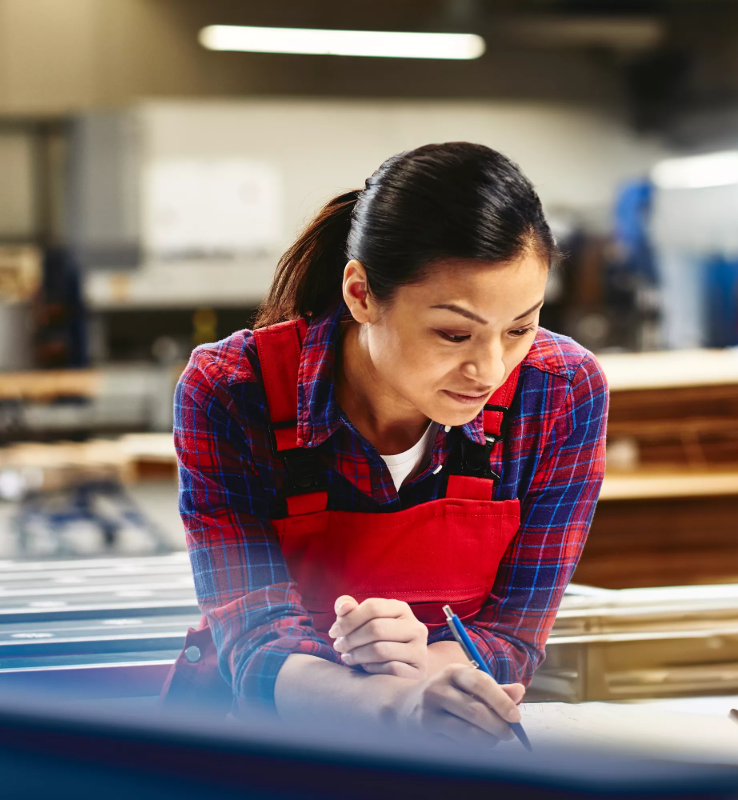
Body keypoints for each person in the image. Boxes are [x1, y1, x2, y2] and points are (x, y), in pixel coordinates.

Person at [162, 142, 609, 746]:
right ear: (361, 294)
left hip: (441, 739)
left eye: (520, 328)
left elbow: (512, 633)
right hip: (260, 746)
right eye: (454, 333)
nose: (491, 368)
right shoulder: (231, 392)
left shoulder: (558, 392)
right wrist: (396, 706)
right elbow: (255, 640)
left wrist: (425, 670)